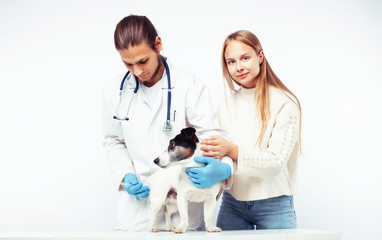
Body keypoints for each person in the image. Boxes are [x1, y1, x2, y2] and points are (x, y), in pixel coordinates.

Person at [102, 15, 232, 231]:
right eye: (128, 63)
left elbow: (210, 137)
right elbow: (113, 141)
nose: (137, 71)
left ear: (158, 45)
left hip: (185, 208)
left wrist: (224, 168)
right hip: (137, 215)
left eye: (143, 61)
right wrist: (126, 175)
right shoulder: (113, 92)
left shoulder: (190, 86)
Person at [199, 30, 302, 230]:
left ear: (260, 56)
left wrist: (231, 150)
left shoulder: (285, 103)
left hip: (275, 206)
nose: (239, 67)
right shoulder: (225, 106)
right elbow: (220, 160)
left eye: (245, 58)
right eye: (231, 62)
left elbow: (275, 162)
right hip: (232, 205)